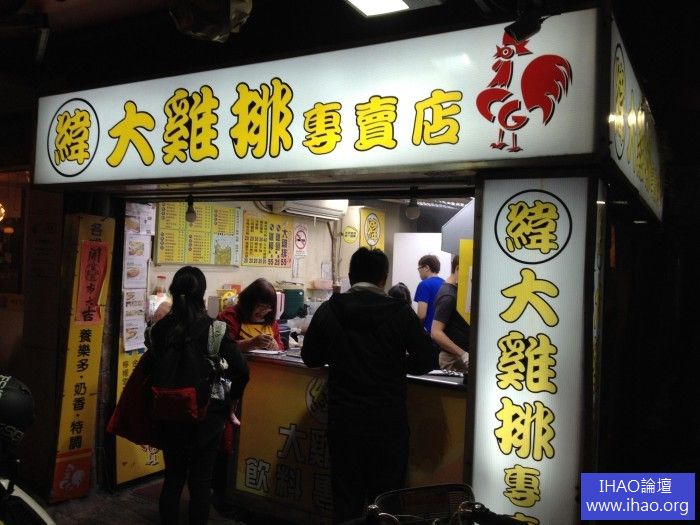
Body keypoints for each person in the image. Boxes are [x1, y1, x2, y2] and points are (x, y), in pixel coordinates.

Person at [301, 247, 435, 524]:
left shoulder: (329, 309)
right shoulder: (401, 313)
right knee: (386, 502)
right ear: (384, 278)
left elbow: (310, 356)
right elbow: (426, 358)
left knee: (346, 500)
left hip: (344, 421)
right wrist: (396, 365)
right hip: (388, 423)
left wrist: (338, 354)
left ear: (350, 277)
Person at [146, 266, 249, 525]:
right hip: (206, 415)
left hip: (168, 413)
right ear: (201, 294)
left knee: (173, 478)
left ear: (174, 292)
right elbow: (241, 370)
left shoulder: (159, 330)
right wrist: (232, 401)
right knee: (201, 482)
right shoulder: (215, 330)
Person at [217, 278, 284, 351]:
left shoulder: (270, 320)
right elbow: (224, 347)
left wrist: (276, 346)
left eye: (267, 307)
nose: (262, 312)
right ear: (248, 302)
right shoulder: (230, 316)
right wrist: (251, 343)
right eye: (259, 306)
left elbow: (281, 347)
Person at [431, 255, 470, 373]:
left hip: (458, 358)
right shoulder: (448, 295)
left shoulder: (456, 291)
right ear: (458, 269)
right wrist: (463, 354)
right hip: (453, 359)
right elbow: (436, 332)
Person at [414, 254, 444, 333]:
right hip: (443, 334)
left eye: (419, 268)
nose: (419, 272)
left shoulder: (424, 284)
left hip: (428, 333)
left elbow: (421, 315)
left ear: (427, 268)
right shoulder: (445, 284)